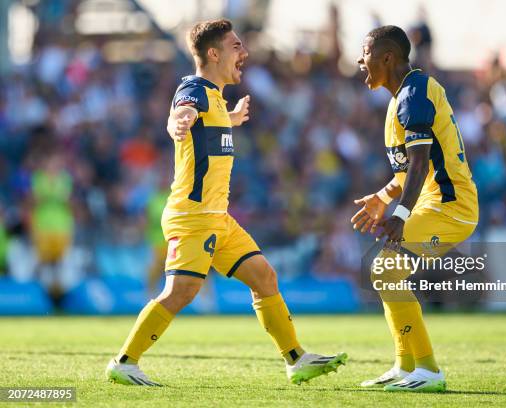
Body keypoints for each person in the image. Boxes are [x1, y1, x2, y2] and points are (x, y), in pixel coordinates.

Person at [105, 19, 346, 387]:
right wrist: (178, 121)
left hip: (217, 217)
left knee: (264, 276)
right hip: (194, 215)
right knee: (181, 292)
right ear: (214, 53)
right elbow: (181, 112)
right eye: (236, 46)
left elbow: (206, 126)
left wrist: (229, 119)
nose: (244, 53)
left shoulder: (216, 99)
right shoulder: (195, 89)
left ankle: (296, 359)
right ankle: (123, 362)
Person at [352, 25, 478, 392]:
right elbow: (408, 171)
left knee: (384, 269)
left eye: (366, 53)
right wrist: (383, 196)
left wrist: (401, 214)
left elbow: (422, 165)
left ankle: (427, 368)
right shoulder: (400, 100)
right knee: (385, 273)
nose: (360, 61)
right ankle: (406, 365)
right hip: (433, 203)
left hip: (451, 208)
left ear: (387, 57)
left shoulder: (413, 94)